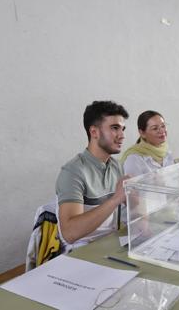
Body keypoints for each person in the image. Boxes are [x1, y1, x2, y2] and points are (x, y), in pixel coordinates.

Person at [56, 101, 130, 252]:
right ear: (94, 132)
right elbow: (70, 233)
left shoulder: (115, 166)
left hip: (111, 245)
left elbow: (131, 209)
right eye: (115, 128)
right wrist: (117, 198)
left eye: (123, 129)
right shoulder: (72, 171)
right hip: (81, 253)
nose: (122, 136)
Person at [120, 110, 174, 176]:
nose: (162, 131)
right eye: (155, 128)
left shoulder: (167, 153)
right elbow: (132, 186)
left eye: (163, 126)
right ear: (142, 133)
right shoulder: (133, 159)